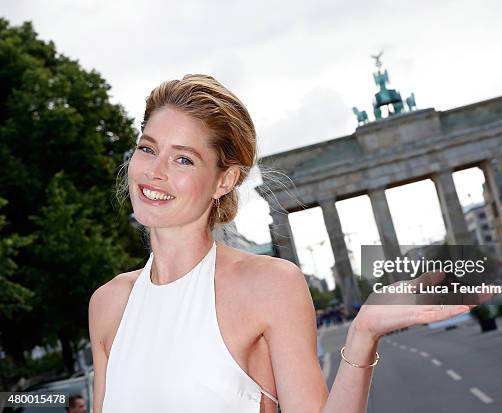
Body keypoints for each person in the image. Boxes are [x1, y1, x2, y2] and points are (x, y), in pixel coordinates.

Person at [88, 74, 475, 413]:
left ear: (224, 180)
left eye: (184, 160)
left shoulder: (269, 285)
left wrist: (362, 335)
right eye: (148, 148)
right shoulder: (107, 303)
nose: (155, 172)